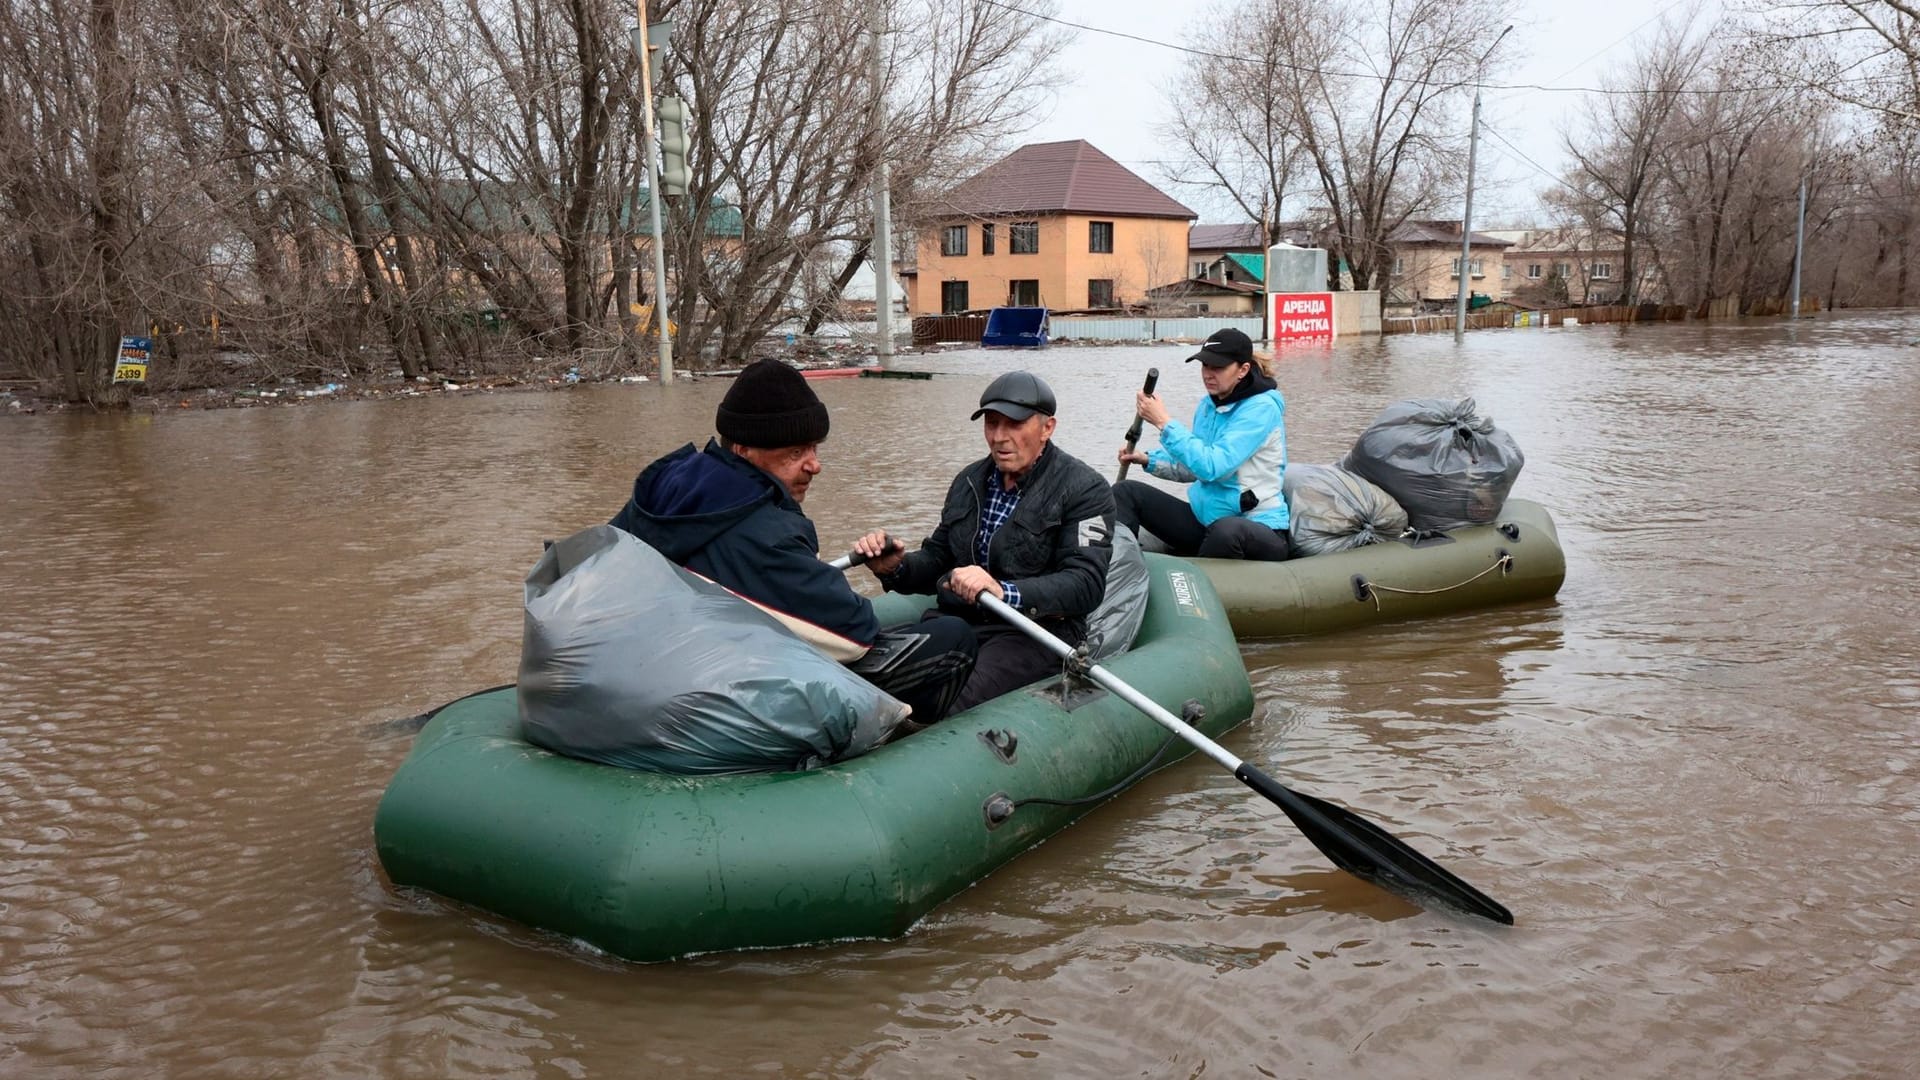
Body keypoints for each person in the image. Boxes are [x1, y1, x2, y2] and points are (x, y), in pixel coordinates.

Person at [610, 358, 977, 725]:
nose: (814, 465)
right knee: (952, 637)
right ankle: (904, 742)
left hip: (650, 664)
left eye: (814, 448)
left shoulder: (665, 483)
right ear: (743, 450)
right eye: (795, 452)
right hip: (712, 694)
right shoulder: (764, 531)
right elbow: (854, 633)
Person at [855, 371, 1116, 714]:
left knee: (947, 701)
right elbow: (938, 557)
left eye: (1013, 425)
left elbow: (1085, 584)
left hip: (1034, 633)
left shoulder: (1085, 489)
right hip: (958, 623)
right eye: (992, 424)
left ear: (1047, 428)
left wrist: (1003, 591)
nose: (999, 437)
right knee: (864, 677)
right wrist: (897, 568)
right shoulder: (969, 481)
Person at [1112, 327, 1292, 561]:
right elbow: (1195, 468)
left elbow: (1213, 466)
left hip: (1258, 527)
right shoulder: (1208, 406)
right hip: (1205, 521)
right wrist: (1148, 460)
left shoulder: (1261, 409)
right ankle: (1117, 571)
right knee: (1125, 493)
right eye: (1205, 365)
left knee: (1227, 531)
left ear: (1243, 370)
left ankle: (1192, 586)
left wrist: (1163, 422)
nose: (1208, 373)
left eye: (1217, 367)